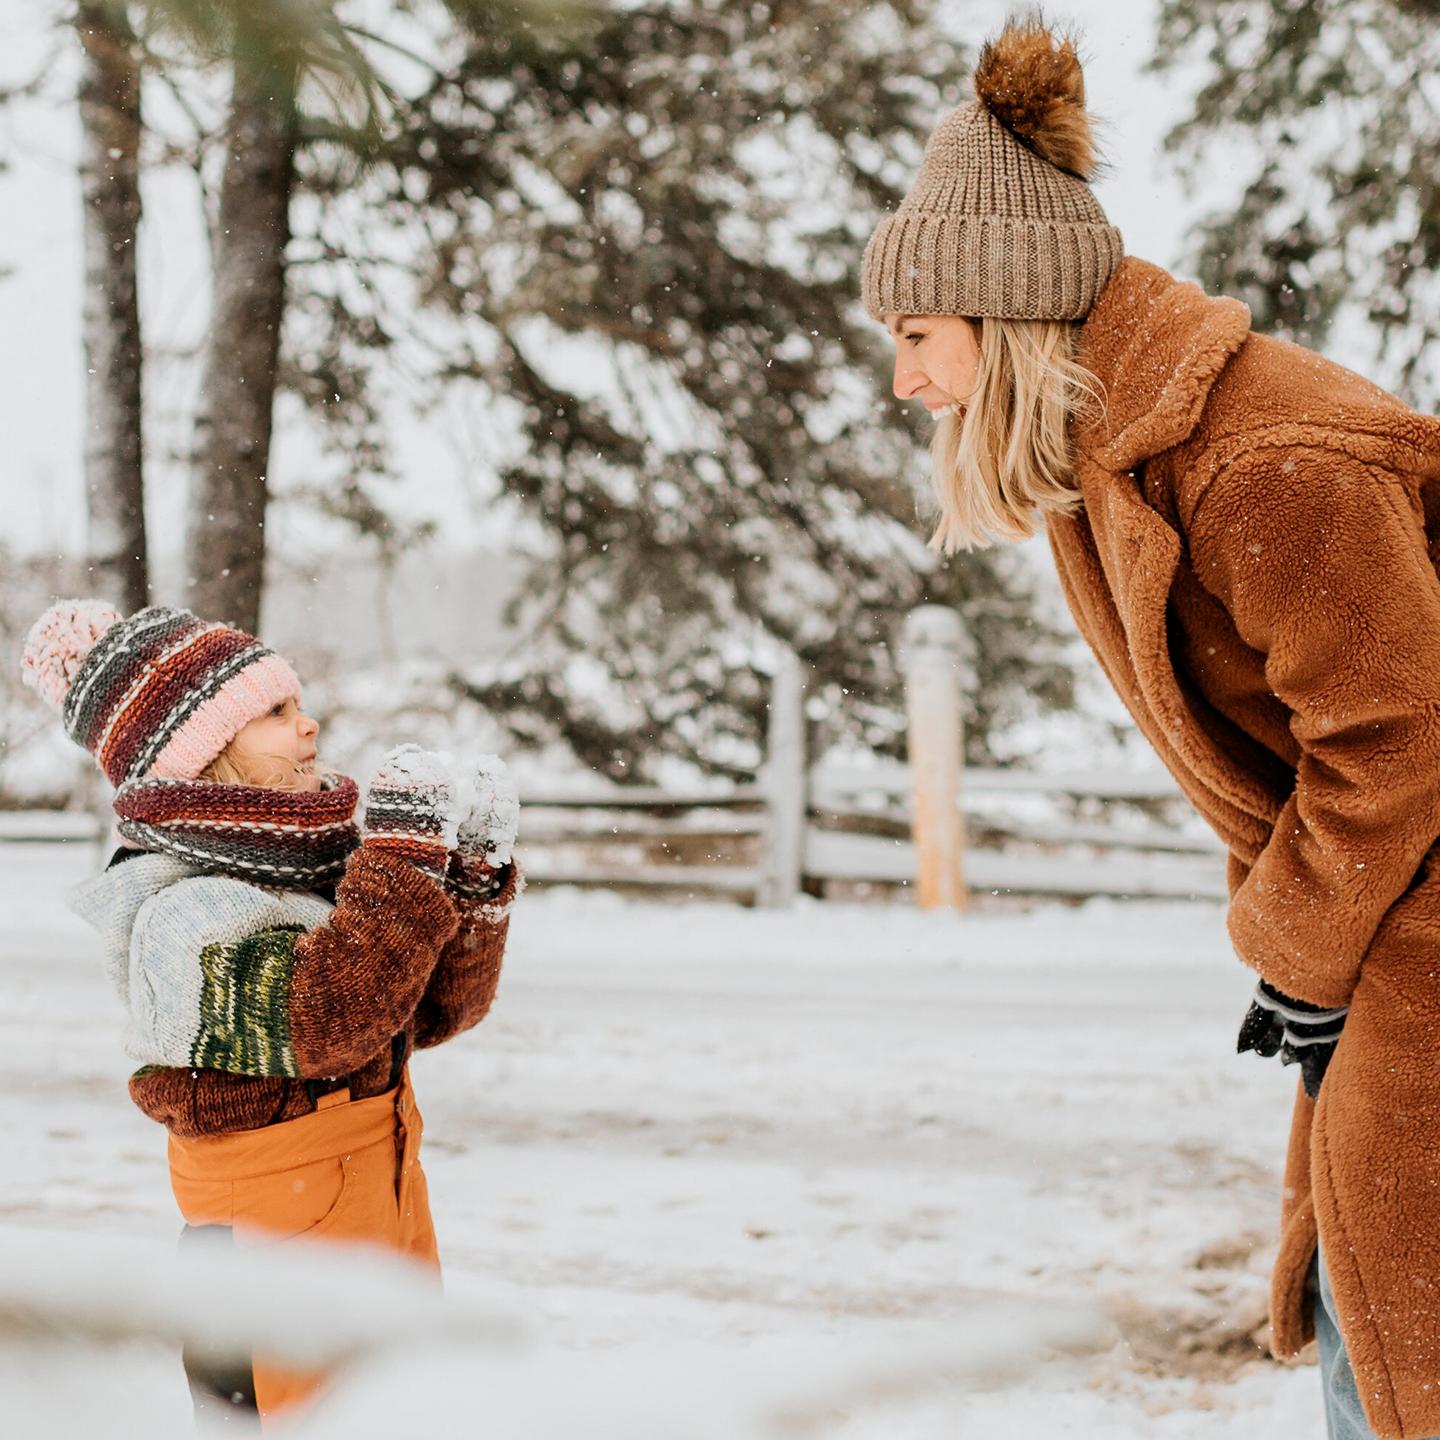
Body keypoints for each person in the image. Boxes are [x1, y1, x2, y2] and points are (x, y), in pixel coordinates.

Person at [862, 17, 1440, 1440]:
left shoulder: (1262, 460)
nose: (906, 382)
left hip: (1417, 928)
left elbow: (1401, 741)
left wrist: (1297, 949)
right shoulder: (1134, 449)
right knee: (1377, 1318)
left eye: (918, 338)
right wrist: (1307, 952)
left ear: (1003, 318)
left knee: (1402, 1351)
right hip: (1396, 931)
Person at [21, 598, 522, 1429]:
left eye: (299, 704)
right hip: (268, 1263)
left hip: (381, 1213)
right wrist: (398, 862)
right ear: (203, 754)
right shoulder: (178, 918)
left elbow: (428, 1013)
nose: (311, 726)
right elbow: (329, 1023)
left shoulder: (304, 880)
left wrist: (469, 876)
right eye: (278, 714)